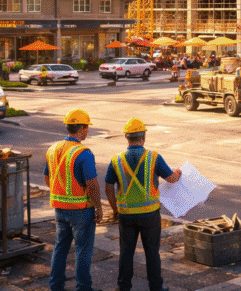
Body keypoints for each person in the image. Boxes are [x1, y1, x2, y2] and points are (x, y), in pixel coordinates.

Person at [105, 118, 182, 291]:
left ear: (126, 138)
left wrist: (115, 209)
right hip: (150, 215)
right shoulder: (153, 157)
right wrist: (177, 173)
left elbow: (108, 187)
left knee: (126, 253)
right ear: (143, 137)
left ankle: (123, 287)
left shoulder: (116, 160)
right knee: (152, 253)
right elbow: (171, 178)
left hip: (126, 216)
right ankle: (156, 288)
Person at [44, 109, 102, 291]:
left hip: (59, 208)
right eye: (87, 127)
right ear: (82, 129)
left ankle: (55, 286)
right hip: (81, 210)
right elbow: (92, 185)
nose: (88, 131)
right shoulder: (83, 153)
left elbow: (48, 178)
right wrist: (99, 208)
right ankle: (83, 288)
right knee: (83, 251)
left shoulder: (53, 149)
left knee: (60, 248)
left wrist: (61, 194)